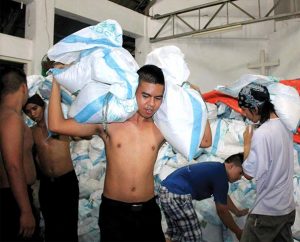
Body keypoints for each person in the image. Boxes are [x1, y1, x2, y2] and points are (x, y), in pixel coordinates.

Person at [48, 64, 212, 241]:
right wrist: (56, 81)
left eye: (158, 98)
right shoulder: (110, 123)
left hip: (148, 210)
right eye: (145, 96)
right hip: (114, 212)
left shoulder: (161, 129)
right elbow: (57, 125)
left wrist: (198, 100)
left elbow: (205, 141)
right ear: (134, 90)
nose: (151, 104)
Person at [238, 83, 295, 242]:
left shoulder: (262, 134)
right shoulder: (285, 125)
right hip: (286, 208)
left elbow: (249, 174)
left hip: (267, 212)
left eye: (244, 109)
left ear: (255, 109)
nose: (243, 114)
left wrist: (247, 143)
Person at [23, 93, 79, 242]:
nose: (32, 114)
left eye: (35, 108)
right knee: (51, 228)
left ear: (43, 106)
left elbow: (79, 135)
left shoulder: (58, 126)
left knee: (69, 227)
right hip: (47, 185)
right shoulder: (32, 132)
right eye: (28, 112)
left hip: (66, 182)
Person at [159, 153, 248, 242]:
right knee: (194, 237)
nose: (240, 178)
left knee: (176, 233)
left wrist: (237, 212)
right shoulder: (221, 176)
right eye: (240, 173)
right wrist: (238, 232)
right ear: (231, 166)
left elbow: (224, 197)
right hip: (176, 194)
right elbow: (222, 211)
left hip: (167, 190)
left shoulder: (217, 169)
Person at [0, 66, 38, 241]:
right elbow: (13, 166)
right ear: (24, 88)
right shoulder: (11, 118)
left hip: (14, 196)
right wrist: (26, 210)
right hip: (14, 200)